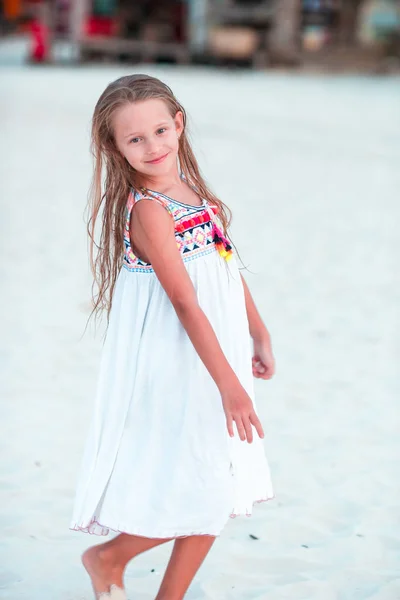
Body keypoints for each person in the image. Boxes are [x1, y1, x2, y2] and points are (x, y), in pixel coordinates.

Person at [70, 73, 275, 600]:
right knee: (204, 483)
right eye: (135, 138)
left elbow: (226, 264)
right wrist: (229, 384)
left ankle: (147, 581)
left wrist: (257, 329)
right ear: (113, 146)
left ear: (179, 124)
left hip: (218, 352)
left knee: (217, 481)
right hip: (183, 361)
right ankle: (109, 555)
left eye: (161, 130)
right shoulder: (151, 212)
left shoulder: (193, 192)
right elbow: (184, 302)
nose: (153, 146)